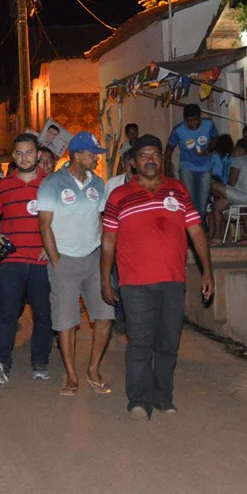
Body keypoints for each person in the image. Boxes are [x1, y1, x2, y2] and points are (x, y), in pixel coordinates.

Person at [102, 134, 215, 420]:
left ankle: (163, 397)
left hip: (173, 280)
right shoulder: (119, 196)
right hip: (134, 283)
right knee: (140, 342)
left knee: (168, 342)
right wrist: (105, 280)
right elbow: (108, 242)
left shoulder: (177, 190)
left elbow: (196, 232)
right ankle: (138, 401)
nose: (150, 159)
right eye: (144, 155)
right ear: (133, 163)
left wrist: (208, 271)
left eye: (155, 154)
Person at [36, 132, 114, 396]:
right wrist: (56, 259)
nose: (95, 158)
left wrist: (104, 256)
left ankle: (93, 369)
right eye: (92, 154)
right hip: (65, 260)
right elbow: (44, 225)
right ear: (77, 155)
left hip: (93, 259)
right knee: (66, 321)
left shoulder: (99, 184)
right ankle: (71, 375)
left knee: (104, 315)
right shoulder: (52, 183)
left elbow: (102, 221)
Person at [0, 133, 54, 385]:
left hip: (41, 261)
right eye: (19, 153)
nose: (24, 157)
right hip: (11, 261)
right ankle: (0, 361)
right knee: (7, 313)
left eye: (29, 152)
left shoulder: (51, 184)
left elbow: (62, 220)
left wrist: (52, 246)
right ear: (13, 157)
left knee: (44, 314)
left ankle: (40, 361)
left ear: (38, 155)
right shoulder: (3, 186)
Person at [166, 103, 218, 222]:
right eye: (189, 121)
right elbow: (168, 149)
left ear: (200, 117)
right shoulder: (178, 130)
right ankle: (192, 233)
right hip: (187, 167)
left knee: (202, 204)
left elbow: (215, 138)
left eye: (195, 120)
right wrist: (167, 171)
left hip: (205, 167)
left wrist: (208, 150)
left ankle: (199, 228)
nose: (192, 124)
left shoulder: (208, 124)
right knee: (190, 202)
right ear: (185, 120)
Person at [104, 148, 135, 334]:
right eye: (128, 164)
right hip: (117, 242)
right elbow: (106, 215)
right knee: (118, 281)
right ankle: (121, 317)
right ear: (123, 165)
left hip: (138, 245)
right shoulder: (113, 185)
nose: (132, 168)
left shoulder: (147, 184)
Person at [209, 139, 247, 242]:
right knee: (217, 207)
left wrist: (222, 189)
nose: (233, 152)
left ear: (240, 149)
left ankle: (218, 237)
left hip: (243, 197)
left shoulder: (237, 160)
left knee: (213, 184)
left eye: (235, 149)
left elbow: (231, 182)